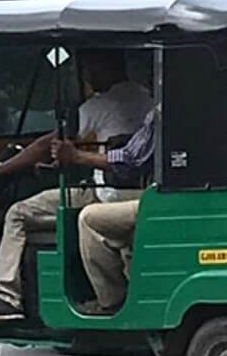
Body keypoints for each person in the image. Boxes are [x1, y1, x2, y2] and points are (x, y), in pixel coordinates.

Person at [0, 49, 152, 323]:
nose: (86, 76)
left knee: (17, 213)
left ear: (103, 66)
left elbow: (46, 144)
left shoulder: (99, 105)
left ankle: (6, 296)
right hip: (140, 192)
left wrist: (1, 169)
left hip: (108, 196)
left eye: (89, 69)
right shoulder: (147, 98)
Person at [53, 108, 157, 315]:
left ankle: (112, 300)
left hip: (161, 199)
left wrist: (76, 156)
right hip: (167, 195)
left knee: (90, 218)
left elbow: (130, 161)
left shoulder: (165, 111)